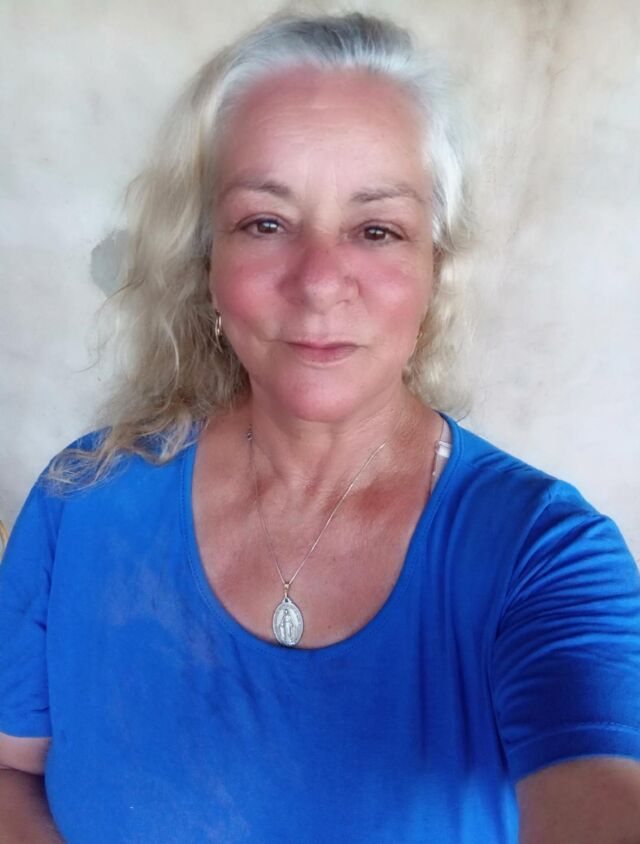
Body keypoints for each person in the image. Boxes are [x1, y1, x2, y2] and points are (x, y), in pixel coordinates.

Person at [1, 10, 640, 844]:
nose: (319, 281)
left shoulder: (544, 554)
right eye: (265, 223)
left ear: (435, 268)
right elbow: (11, 771)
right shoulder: (81, 500)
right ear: (206, 261)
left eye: (377, 230)